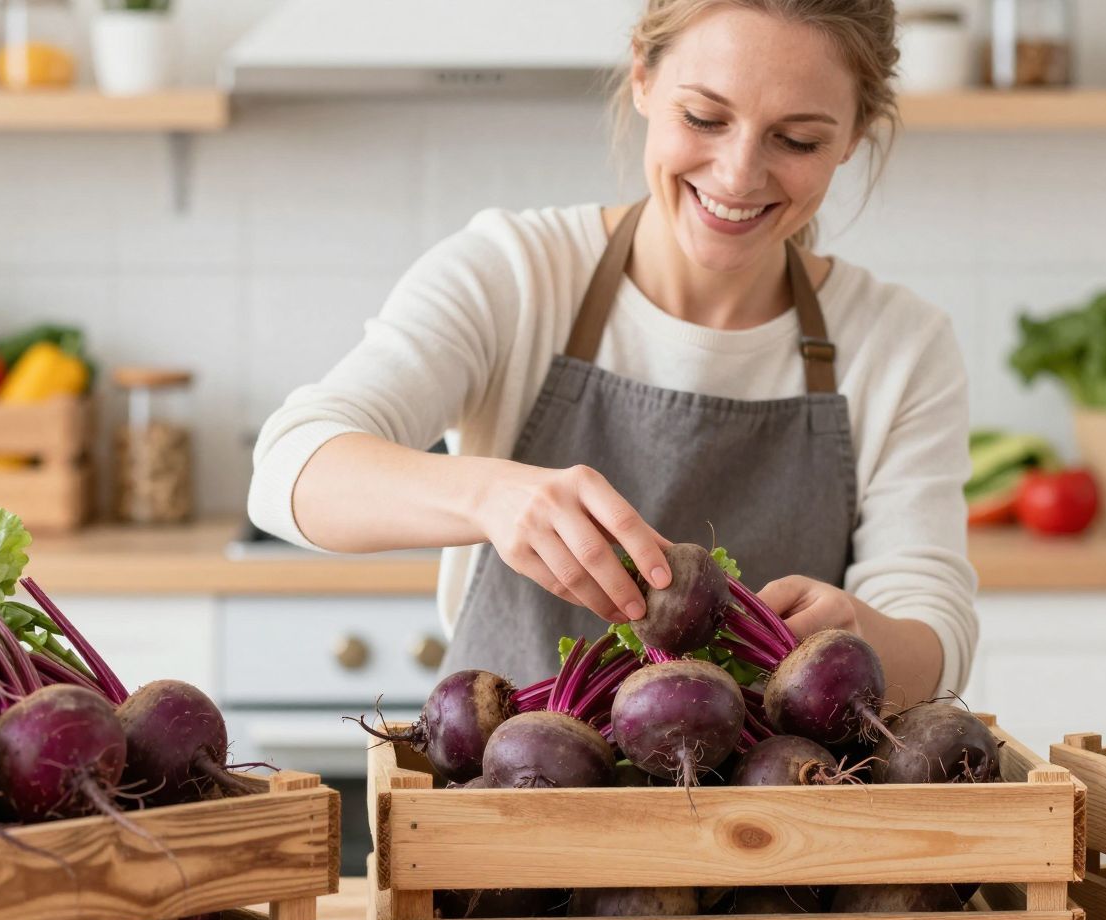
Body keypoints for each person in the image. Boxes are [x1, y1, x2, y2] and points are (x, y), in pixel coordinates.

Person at [248, 0, 976, 701]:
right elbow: (290, 468)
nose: (738, 174)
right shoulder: (513, 275)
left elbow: (936, 628)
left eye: (798, 140)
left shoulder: (899, 344)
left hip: (777, 819)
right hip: (508, 804)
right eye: (704, 117)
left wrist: (863, 639)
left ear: (853, 135)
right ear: (643, 77)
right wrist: (490, 494)